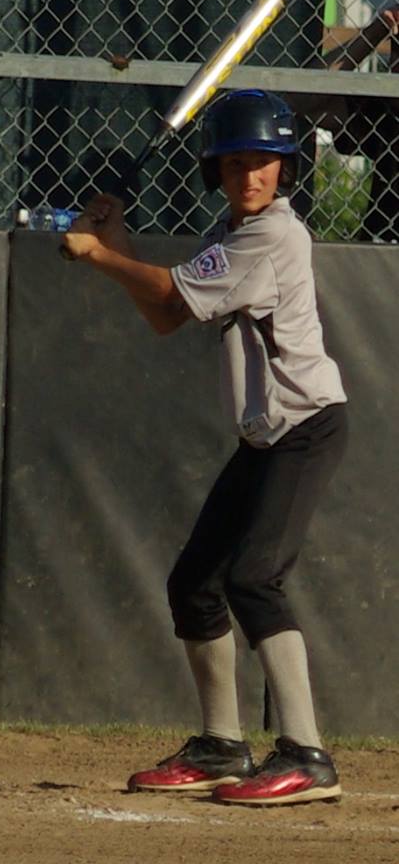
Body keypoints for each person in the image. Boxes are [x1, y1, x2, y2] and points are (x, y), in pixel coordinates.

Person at [63, 89, 348, 807]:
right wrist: (115, 245)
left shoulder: (273, 236)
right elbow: (168, 312)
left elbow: (167, 294)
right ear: (214, 172)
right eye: (234, 164)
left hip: (304, 427)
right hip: (265, 436)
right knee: (194, 583)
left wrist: (99, 254)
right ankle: (222, 745)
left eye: (263, 162)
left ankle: (308, 755)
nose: (250, 176)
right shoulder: (231, 235)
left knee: (253, 579)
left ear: (285, 169)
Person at [284, 5, 399, 242]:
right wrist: (376, 31)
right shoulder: (385, 114)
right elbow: (299, 98)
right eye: (396, 50)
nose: (394, 65)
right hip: (378, 254)